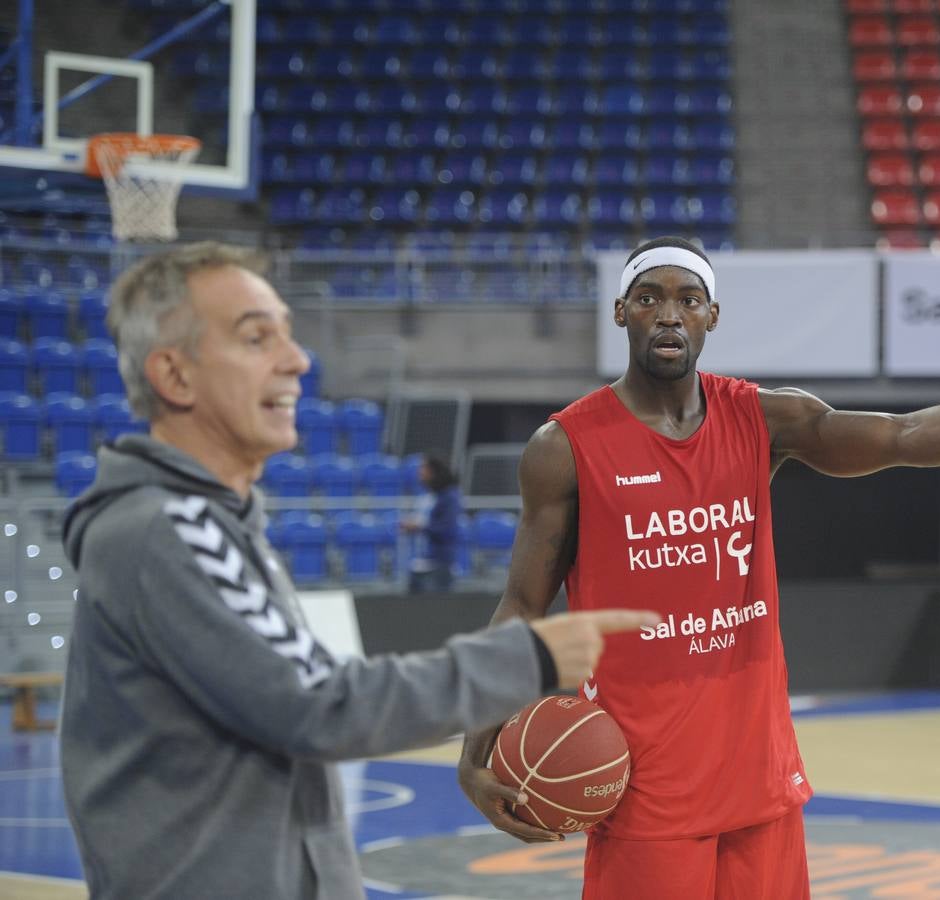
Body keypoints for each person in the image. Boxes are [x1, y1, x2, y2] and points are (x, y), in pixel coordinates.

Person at [458, 236, 940, 899]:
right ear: (620, 312)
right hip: (646, 789)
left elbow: (903, 435)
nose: (669, 313)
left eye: (687, 298)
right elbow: (521, 608)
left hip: (760, 779)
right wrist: (474, 753)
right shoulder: (565, 447)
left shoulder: (764, 421)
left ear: (712, 316)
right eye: (647, 297)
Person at [57, 242, 657, 900]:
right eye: (258, 338)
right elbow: (322, 706)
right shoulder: (165, 531)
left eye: (288, 333)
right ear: (174, 377)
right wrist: (526, 658)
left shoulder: (212, 522)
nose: (297, 360)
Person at [403, 453, 463, 592]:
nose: (420, 472)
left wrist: (419, 527)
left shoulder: (449, 497)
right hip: (426, 561)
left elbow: (446, 529)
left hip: (440, 564)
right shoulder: (431, 496)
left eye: (423, 468)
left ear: (434, 471)